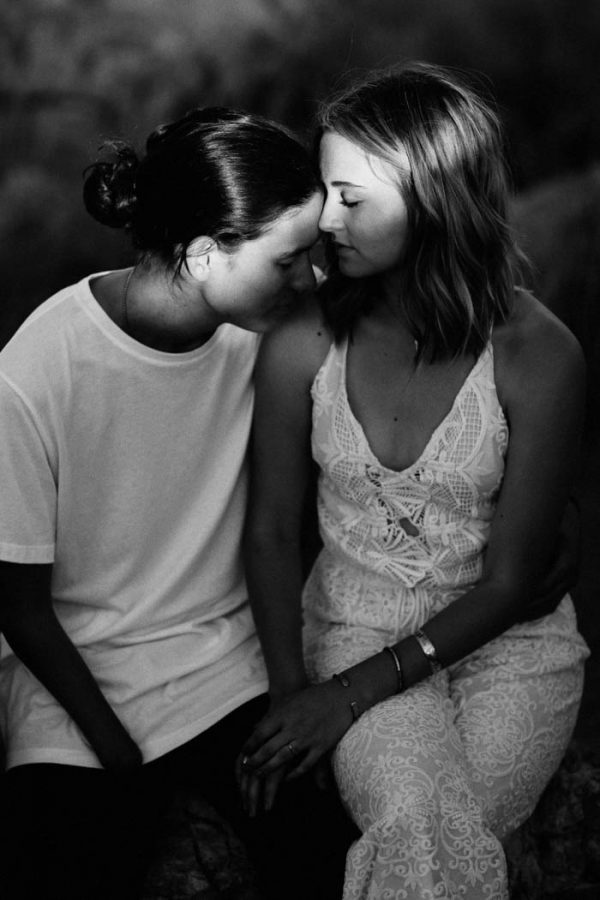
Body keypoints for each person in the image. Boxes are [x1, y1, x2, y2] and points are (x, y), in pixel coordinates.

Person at [239, 63, 590, 899]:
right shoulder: (302, 342)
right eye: (326, 192)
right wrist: (299, 697)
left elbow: (515, 581)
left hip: (513, 652)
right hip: (354, 629)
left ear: (433, 197)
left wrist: (345, 702)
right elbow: (271, 529)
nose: (326, 218)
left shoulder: (540, 354)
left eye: (351, 198)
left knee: (430, 829)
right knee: (417, 818)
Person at [0, 106, 358, 900]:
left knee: (329, 860)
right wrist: (117, 752)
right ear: (203, 254)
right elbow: (20, 609)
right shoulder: (34, 372)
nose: (312, 278)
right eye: (292, 259)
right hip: (77, 689)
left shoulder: (271, 330)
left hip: (226, 668)